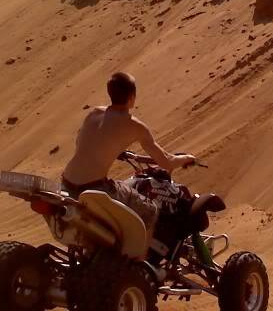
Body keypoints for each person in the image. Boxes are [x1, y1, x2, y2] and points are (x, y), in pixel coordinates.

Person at [61, 72, 196, 229]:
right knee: (150, 211)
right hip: (95, 189)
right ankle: (138, 254)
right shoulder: (135, 126)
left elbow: (81, 143)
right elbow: (166, 162)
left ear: (110, 92)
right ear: (132, 96)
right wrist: (187, 158)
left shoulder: (94, 113)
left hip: (66, 182)